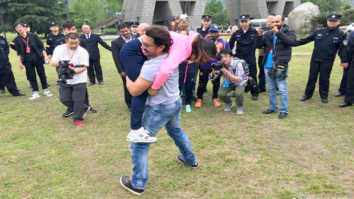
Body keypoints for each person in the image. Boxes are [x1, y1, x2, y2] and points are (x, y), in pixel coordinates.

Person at [120, 25, 198, 196]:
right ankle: (190, 159)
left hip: (159, 108)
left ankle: (137, 183)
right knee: (176, 131)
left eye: (147, 45)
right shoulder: (172, 55)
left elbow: (134, 91)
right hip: (174, 102)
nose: (142, 47)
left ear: (161, 46)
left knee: (139, 144)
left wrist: (127, 77)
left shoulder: (152, 65)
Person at [120, 22, 213, 143]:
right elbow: (165, 70)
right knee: (140, 91)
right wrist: (154, 87)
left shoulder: (187, 39)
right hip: (132, 52)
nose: (196, 61)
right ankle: (135, 130)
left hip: (142, 50)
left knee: (175, 130)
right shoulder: (182, 49)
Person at [294, 14, 348, 103]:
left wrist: (344, 60)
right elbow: (306, 40)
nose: (331, 22)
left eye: (334, 21)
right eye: (330, 20)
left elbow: (342, 49)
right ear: (327, 21)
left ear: (339, 22)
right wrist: (293, 43)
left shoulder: (340, 34)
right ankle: (307, 95)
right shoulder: (319, 31)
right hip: (315, 59)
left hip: (327, 61)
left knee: (324, 79)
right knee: (312, 78)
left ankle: (324, 96)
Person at [256, 15, 296, 119]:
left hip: (281, 63)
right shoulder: (268, 33)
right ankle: (273, 107)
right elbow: (259, 46)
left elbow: (290, 42)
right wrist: (259, 35)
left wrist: (278, 32)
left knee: (282, 88)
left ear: (283, 21)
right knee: (270, 88)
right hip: (267, 64)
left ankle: (283, 109)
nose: (275, 24)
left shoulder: (289, 32)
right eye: (273, 22)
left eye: (277, 21)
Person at [54, 21, 97, 115]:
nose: (71, 31)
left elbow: (86, 54)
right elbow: (54, 57)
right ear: (64, 30)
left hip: (78, 69)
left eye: (73, 29)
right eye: (69, 29)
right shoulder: (59, 42)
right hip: (63, 70)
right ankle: (71, 108)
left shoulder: (81, 41)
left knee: (81, 90)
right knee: (66, 92)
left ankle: (85, 105)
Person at [50, 33, 90, 127]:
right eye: (71, 43)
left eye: (76, 43)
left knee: (78, 100)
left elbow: (84, 67)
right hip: (65, 79)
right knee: (64, 99)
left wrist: (72, 71)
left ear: (79, 41)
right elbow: (52, 63)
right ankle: (82, 108)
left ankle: (78, 118)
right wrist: (60, 63)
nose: (74, 45)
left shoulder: (83, 51)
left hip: (80, 79)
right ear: (66, 41)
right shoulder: (59, 49)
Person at [13, 22, 53, 100]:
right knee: (31, 75)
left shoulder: (33, 36)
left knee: (41, 74)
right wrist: (19, 62)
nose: (19, 28)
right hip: (27, 60)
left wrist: (45, 56)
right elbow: (18, 52)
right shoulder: (17, 39)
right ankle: (35, 91)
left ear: (24, 28)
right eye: (17, 28)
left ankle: (45, 89)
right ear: (16, 30)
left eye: (20, 27)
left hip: (37, 58)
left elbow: (41, 47)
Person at [195, 24, 229, 108]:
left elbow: (227, 54)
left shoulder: (224, 42)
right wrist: (203, 41)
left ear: (218, 32)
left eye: (215, 32)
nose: (213, 34)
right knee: (202, 84)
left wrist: (225, 65)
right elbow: (197, 50)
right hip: (205, 65)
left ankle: (215, 98)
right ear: (209, 32)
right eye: (212, 32)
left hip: (217, 66)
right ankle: (199, 99)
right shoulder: (203, 41)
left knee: (216, 83)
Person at [229, 15, 259, 101]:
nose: (244, 23)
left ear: (249, 21)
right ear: (240, 22)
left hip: (250, 57)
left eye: (246, 21)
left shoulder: (254, 32)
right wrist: (229, 56)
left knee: (252, 75)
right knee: (237, 75)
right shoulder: (237, 33)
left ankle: (254, 93)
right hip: (239, 58)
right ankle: (235, 91)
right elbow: (230, 45)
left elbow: (259, 43)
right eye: (242, 22)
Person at [216, 49, 248, 114]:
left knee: (238, 93)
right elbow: (214, 77)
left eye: (226, 56)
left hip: (240, 82)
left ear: (231, 57)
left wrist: (228, 73)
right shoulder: (221, 64)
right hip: (229, 82)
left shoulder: (238, 64)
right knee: (221, 93)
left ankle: (239, 106)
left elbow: (239, 80)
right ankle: (229, 103)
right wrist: (214, 70)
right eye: (222, 57)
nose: (224, 59)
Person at [111, 23, 133, 110]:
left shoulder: (136, 39)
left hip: (138, 66)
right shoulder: (116, 42)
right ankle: (130, 104)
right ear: (119, 32)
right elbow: (116, 58)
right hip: (125, 68)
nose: (125, 33)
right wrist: (121, 71)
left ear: (129, 30)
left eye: (126, 31)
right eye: (122, 32)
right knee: (127, 86)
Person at [177, 30, 199, 112]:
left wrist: (192, 60)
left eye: (185, 34)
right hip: (179, 68)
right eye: (181, 34)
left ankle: (188, 103)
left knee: (189, 86)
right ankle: (176, 103)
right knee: (178, 86)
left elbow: (196, 55)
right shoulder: (176, 45)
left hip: (190, 67)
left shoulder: (192, 45)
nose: (183, 36)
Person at [258, 14, 275, 93]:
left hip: (272, 54)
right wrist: (259, 34)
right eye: (268, 18)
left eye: (271, 18)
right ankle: (261, 87)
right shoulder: (261, 30)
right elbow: (258, 44)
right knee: (261, 71)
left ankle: (275, 87)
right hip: (262, 54)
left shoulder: (276, 30)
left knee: (273, 71)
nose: (269, 20)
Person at [336, 30, 354, 97]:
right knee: (346, 74)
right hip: (349, 56)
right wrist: (344, 59)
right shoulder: (352, 32)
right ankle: (342, 90)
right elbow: (347, 45)